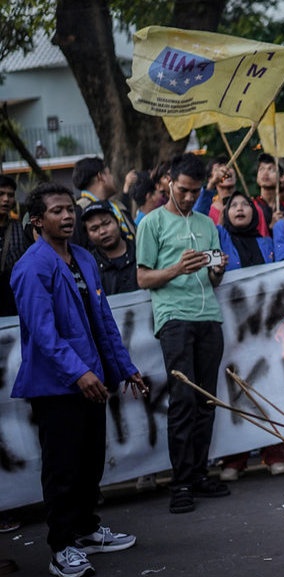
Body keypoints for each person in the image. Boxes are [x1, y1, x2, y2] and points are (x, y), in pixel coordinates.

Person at [11, 182, 147, 577]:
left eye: (70, 209)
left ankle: (87, 530)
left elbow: (103, 322)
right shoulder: (31, 267)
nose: (67, 216)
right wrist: (80, 373)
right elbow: (43, 333)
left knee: (90, 464)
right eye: (57, 211)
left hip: (94, 379)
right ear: (37, 220)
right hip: (58, 386)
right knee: (63, 468)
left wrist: (124, 367)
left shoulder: (85, 259)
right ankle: (62, 547)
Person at [136, 153, 230, 515]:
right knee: (183, 400)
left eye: (195, 191)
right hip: (174, 318)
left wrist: (218, 268)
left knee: (206, 399)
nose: (189, 197)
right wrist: (176, 268)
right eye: (183, 190)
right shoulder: (152, 223)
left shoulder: (208, 223)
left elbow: (213, 275)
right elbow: (143, 278)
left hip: (209, 315)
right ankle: (181, 483)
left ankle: (200, 472)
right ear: (168, 183)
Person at [215, 190, 284, 480]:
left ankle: (275, 454)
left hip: (266, 330)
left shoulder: (266, 243)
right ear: (226, 213)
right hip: (233, 332)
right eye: (234, 205)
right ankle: (235, 459)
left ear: (256, 213)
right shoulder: (220, 238)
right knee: (236, 391)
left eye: (246, 204)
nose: (241, 209)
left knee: (270, 390)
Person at [81, 201, 139, 295]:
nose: (102, 231)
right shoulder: (88, 266)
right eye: (94, 229)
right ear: (88, 235)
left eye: (106, 223)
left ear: (118, 222)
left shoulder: (141, 251)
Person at [72, 157, 135, 241]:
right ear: (100, 177)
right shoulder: (79, 210)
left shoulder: (117, 206)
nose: (113, 178)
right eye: (109, 174)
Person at [0, 175, 30, 316]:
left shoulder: (20, 229)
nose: (6, 199)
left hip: (14, 303)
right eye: (1, 194)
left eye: (10, 195)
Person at [195, 156, 238, 224]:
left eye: (229, 166)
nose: (225, 170)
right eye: (218, 169)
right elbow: (196, 220)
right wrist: (211, 185)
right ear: (210, 178)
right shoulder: (208, 209)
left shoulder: (248, 206)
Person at [253, 154, 284, 236]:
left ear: (282, 177)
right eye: (261, 169)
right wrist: (270, 227)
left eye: (271, 169)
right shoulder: (252, 206)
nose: (265, 173)